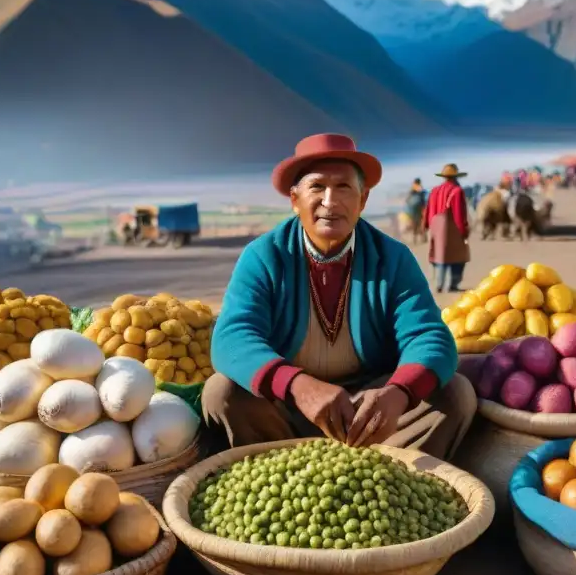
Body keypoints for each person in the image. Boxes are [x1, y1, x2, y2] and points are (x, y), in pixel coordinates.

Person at [203, 134, 476, 460]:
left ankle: (390, 475)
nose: (330, 201)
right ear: (294, 199)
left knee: (455, 393)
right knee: (222, 392)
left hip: (371, 414)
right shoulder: (264, 256)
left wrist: (398, 392)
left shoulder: (393, 258)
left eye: (344, 187)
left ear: (362, 200)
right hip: (289, 411)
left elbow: (429, 336)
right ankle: (279, 471)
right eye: (317, 187)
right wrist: (298, 386)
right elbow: (232, 338)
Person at [424, 163, 471, 293]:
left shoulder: (434, 190)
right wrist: (464, 231)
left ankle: (439, 284)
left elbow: (427, 211)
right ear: (456, 177)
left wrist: (426, 225)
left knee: (439, 255)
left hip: (435, 227)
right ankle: (453, 285)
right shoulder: (457, 191)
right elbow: (459, 215)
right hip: (452, 229)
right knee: (458, 257)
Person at [403, 178, 427, 244]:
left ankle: (415, 238)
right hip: (419, 207)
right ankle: (423, 237)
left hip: (412, 209)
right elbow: (424, 197)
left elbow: (407, 199)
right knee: (421, 222)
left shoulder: (412, 188)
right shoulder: (420, 187)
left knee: (414, 223)